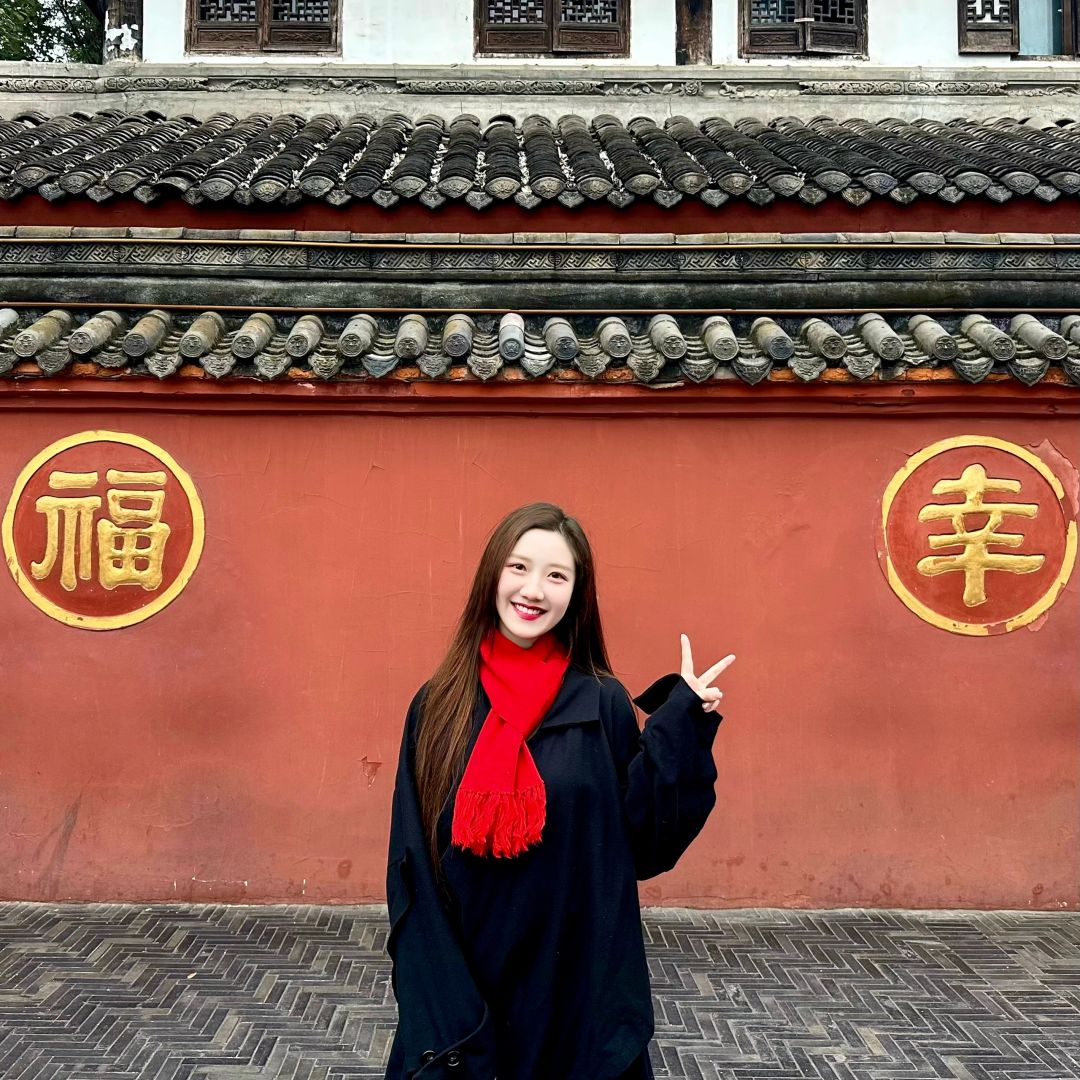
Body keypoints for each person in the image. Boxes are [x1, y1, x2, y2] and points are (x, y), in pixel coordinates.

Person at [385, 502, 735, 1080]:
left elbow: (643, 844)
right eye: (519, 567)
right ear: (492, 575)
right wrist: (441, 998)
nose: (533, 590)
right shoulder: (439, 706)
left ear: (576, 593)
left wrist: (681, 727)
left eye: (556, 575)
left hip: (575, 990)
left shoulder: (601, 702)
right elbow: (412, 861)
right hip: (468, 988)